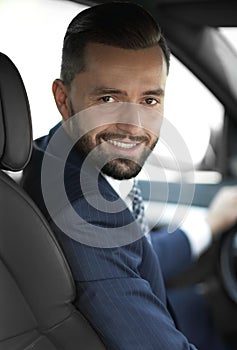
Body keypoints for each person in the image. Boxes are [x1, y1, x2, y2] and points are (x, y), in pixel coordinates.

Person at [22, 2, 237, 349]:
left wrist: (208, 226)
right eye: (108, 98)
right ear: (64, 100)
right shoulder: (83, 213)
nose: (133, 126)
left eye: (149, 101)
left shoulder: (51, 155)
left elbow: (131, 256)